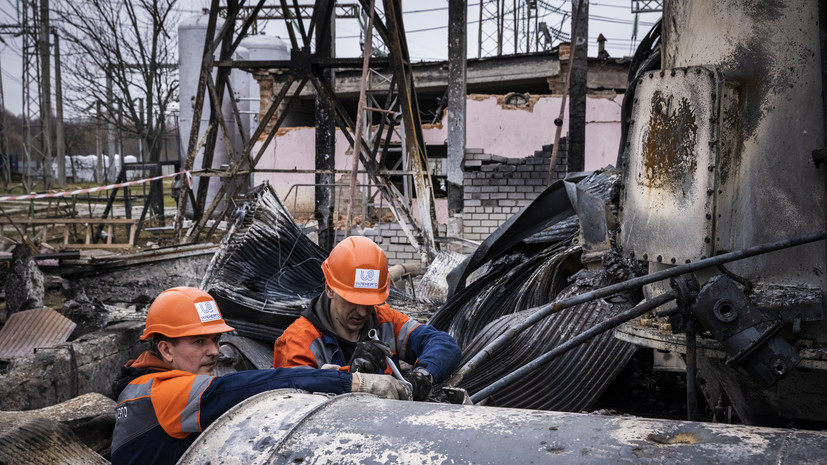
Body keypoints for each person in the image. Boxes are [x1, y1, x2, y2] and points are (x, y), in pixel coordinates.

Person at [111, 286, 409, 465]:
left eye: (216, 339)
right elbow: (258, 385)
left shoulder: (144, 383)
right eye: (199, 341)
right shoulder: (165, 394)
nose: (214, 351)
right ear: (165, 349)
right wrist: (351, 382)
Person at [273, 236, 462, 401]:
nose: (363, 312)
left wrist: (423, 376)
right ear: (330, 289)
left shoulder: (385, 321)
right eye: (353, 301)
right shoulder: (297, 342)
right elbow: (297, 405)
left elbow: (444, 344)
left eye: (369, 302)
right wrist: (352, 378)